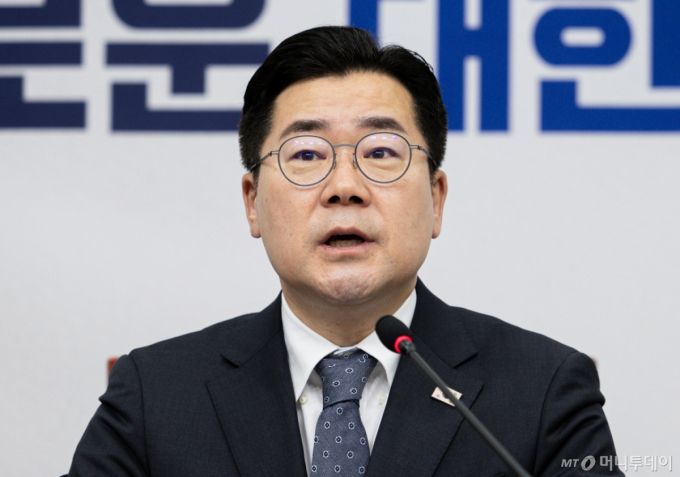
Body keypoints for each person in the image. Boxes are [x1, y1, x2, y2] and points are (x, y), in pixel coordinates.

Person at [65, 26, 622, 476]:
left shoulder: (542, 390)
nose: (345, 186)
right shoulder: (157, 395)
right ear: (253, 202)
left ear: (435, 198)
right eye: (306, 154)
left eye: (380, 151)